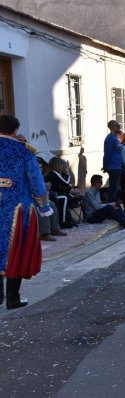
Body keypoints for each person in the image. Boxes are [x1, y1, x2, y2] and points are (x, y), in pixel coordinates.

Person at [0, 115, 53, 309]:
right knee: (16, 250)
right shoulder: (23, 151)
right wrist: (43, 206)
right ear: (15, 130)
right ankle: (13, 298)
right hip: (18, 208)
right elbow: (36, 181)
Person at [44, 157, 82, 228]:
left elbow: (64, 186)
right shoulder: (54, 173)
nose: (64, 166)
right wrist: (68, 173)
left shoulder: (54, 173)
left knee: (67, 196)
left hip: (52, 194)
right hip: (50, 195)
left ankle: (67, 219)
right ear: (58, 164)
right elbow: (66, 183)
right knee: (64, 197)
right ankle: (63, 221)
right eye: (62, 163)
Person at [103, 120, 123, 202]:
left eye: (119, 125)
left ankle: (113, 204)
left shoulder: (115, 138)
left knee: (115, 187)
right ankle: (112, 205)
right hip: (113, 166)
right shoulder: (110, 138)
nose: (119, 127)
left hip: (117, 165)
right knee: (113, 188)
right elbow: (107, 153)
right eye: (117, 125)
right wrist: (105, 166)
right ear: (111, 127)